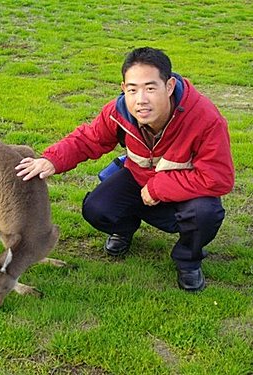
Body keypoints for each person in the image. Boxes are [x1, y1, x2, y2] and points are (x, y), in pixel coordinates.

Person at [15, 47, 234, 292]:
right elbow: (90, 138)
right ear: (123, 89)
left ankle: (188, 261)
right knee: (97, 208)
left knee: (205, 213)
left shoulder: (205, 118)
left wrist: (158, 188)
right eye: (132, 89)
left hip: (181, 190)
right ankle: (123, 230)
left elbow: (218, 178)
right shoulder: (120, 112)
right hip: (139, 179)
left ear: (169, 86)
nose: (141, 99)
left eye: (150, 88)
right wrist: (52, 160)